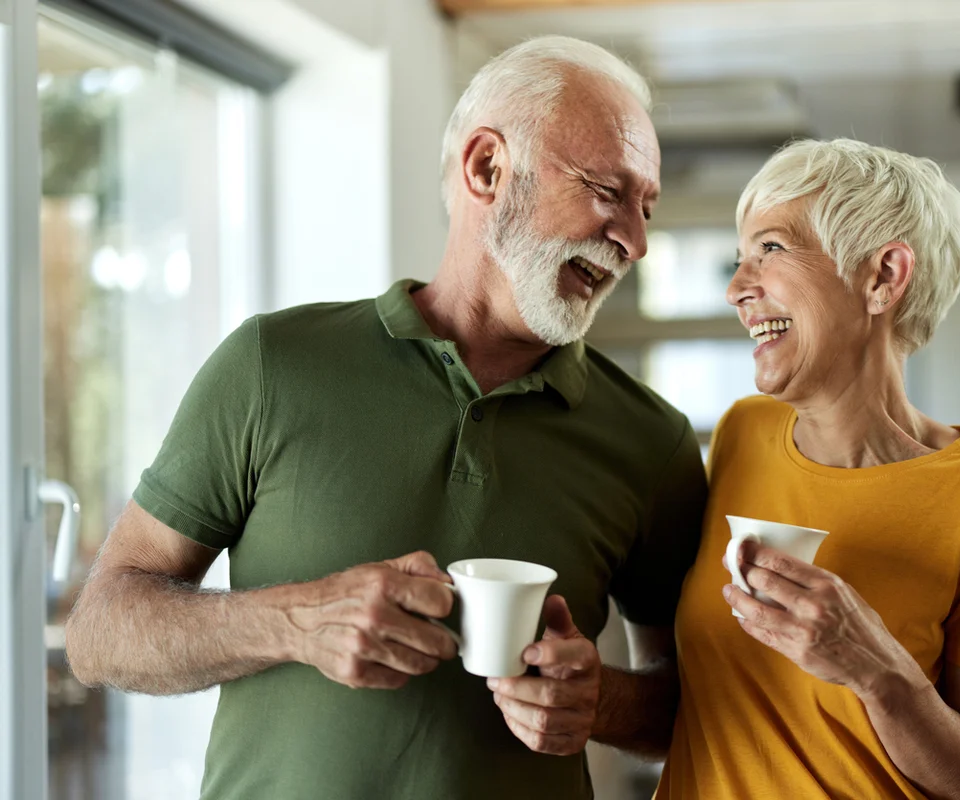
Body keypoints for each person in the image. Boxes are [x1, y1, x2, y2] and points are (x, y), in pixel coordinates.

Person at [64, 36, 706, 800]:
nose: (633, 239)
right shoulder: (273, 364)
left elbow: (699, 708)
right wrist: (297, 622)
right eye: (607, 189)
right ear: (487, 169)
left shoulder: (651, 442)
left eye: (646, 207)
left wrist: (601, 701)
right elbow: (98, 633)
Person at [656, 139, 960, 799]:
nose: (737, 289)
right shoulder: (742, 434)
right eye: (739, 260)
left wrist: (875, 670)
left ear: (882, 277)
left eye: (771, 249)